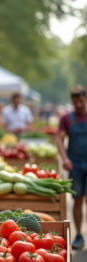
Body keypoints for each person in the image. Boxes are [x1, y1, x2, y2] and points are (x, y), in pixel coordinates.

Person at [57, 85, 87, 250]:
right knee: (78, 200)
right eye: (76, 102)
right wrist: (65, 158)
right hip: (74, 164)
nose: (79, 105)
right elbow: (59, 139)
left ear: (86, 99)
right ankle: (79, 235)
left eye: (81, 101)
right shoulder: (66, 118)